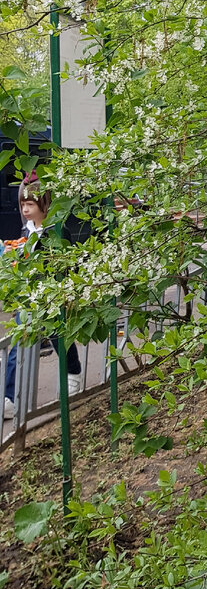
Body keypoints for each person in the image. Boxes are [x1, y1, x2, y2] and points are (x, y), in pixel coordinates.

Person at [2, 174, 82, 421]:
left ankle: (73, 373)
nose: (25, 210)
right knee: (18, 343)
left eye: (30, 205)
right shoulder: (25, 230)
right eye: (23, 205)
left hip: (52, 294)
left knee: (59, 336)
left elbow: (67, 265)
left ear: (44, 204)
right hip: (28, 297)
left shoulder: (57, 231)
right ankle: (11, 396)